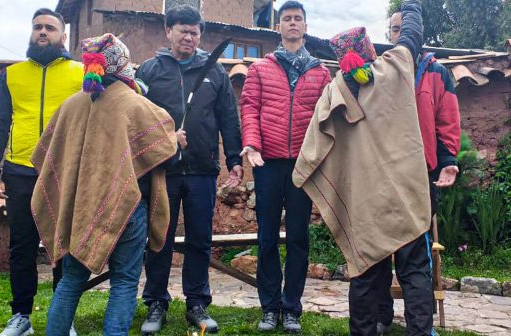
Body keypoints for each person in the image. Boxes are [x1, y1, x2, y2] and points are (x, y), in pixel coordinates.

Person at [293, 0, 434, 334]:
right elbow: (411, 36)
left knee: (366, 273)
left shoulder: (332, 95)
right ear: (369, 49)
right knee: (415, 270)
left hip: (365, 202)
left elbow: (310, 155)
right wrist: (412, 6)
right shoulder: (394, 68)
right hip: (408, 194)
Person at [32, 33, 178, 336]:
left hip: (79, 209)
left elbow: (46, 157)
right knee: (124, 281)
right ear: (123, 64)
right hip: (126, 207)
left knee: (71, 281)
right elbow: (166, 153)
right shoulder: (136, 105)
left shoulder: (70, 106)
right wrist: (177, 141)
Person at [136, 5, 244, 334]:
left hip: (202, 170)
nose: (189, 37)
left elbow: (228, 117)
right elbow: (137, 120)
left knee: (200, 239)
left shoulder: (215, 72)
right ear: (168, 31)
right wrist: (164, 141)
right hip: (161, 171)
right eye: (183, 30)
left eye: (194, 32)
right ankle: (156, 302)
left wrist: (234, 160)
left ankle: (196, 303)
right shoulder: (151, 71)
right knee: (159, 238)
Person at [0, 8, 83, 336]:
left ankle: (62, 317)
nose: (42, 32)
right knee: (22, 246)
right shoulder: (13, 75)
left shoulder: (81, 74)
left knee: (63, 247)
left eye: (50, 28)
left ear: (63, 36)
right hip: (20, 171)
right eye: (37, 26)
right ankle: (21, 316)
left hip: (63, 171)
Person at [239, 0, 331, 333]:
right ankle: (269, 308)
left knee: (298, 238)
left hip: (302, 167)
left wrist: (320, 157)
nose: (292, 23)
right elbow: (249, 107)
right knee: (266, 237)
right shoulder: (260, 69)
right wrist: (252, 142)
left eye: (297, 19)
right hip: (267, 163)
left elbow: (325, 118)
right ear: (278, 27)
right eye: (287, 18)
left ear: (305, 26)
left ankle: (291, 308)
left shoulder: (321, 73)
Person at [375, 9, 462, 335]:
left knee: (414, 258)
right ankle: (381, 317)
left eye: (403, 28)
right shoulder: (382, 70)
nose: (398, 34)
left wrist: (447, 159)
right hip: (382, 176)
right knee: (379, 252)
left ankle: (420, 329)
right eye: (393, 29)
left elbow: (447, 120)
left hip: (419, 178)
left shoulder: (437, 72)